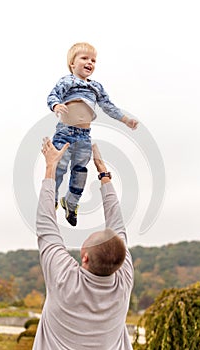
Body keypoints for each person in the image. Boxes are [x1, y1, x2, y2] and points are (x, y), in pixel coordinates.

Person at [32, 139, 134, 350]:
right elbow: (118, 225)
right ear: (123, 261)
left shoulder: (64, 279)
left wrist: (51, 167)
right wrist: (104, 174)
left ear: (85, 257)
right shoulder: (123, 282)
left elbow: (45, 224)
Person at [47, 42, 139, 226]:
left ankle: (71, 203)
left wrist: (125, 119)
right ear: (72, 64)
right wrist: (56, 106)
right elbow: (53, 95)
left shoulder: (96, 87)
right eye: (84, 58)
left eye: (93, 60)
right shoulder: (67, 81)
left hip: (84, 135)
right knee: (59, 167)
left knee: (80, 171)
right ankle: (52, 198)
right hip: (65, 132)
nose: (90, 62)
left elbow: (108, 106)